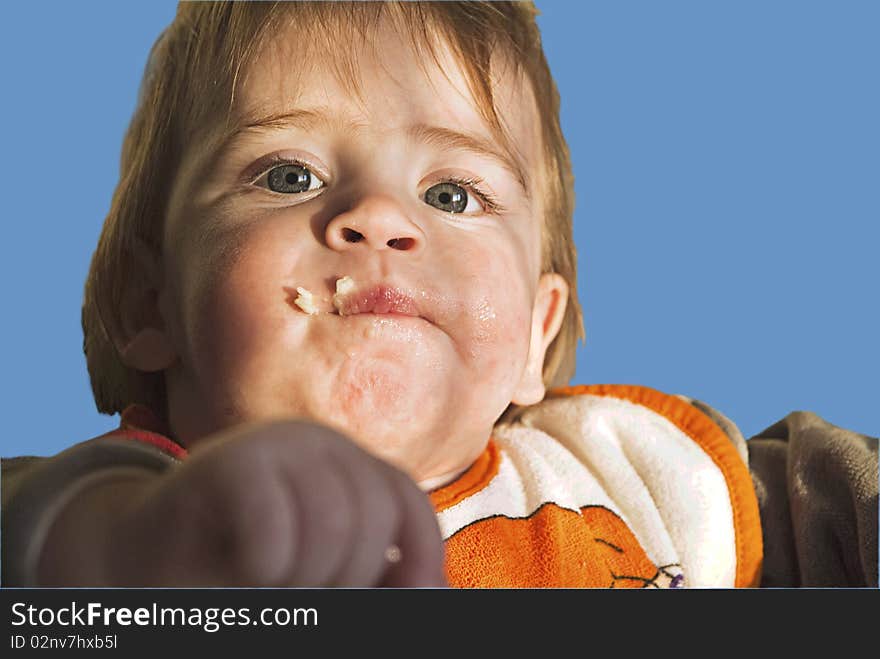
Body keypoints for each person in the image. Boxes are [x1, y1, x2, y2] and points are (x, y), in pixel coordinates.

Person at [2, 1, 876, 588]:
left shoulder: (630, 472)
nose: (377, 216)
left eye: (453, 194)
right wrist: (148, 539)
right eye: (288, 173)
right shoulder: (135, 504)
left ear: (538, 334)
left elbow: (837, 496)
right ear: (147, 305)